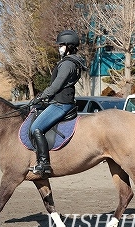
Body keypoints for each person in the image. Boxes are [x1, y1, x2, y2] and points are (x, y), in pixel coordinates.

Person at [30, 29, 87, 177]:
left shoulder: (67, 64)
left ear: (69, 46)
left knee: (36, 127)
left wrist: (42, 96)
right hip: (61, 101)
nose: (59, 47)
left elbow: (57, 85)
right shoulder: (71, 62)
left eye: (61, 45)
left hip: (61, 104)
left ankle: (44, 163)